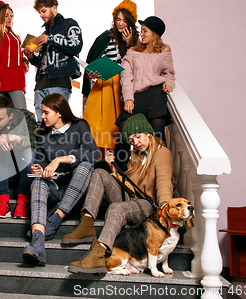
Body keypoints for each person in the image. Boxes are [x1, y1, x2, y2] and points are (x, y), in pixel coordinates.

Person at [64, 113, 174, 274]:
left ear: (149, 133)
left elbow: (164, 183)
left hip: (148, 205)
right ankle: (86, 223)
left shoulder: (162, 153)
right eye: (131, 140)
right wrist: (113, 168)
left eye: (138, 137)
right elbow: (128, 183)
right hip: (132, 199)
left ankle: (99, 253)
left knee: (116, 208)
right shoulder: (136, 156)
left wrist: (166, 207)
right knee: (100, 172)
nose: (136, 143)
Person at [22, 93, 99, 266]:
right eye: (42, 112)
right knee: (38, 182)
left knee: (86, 166)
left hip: (77, 191)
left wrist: (60, 159)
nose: (42, 116)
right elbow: (41, 160)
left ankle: (56, 218)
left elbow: (92, 153)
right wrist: (39, 168)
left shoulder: (80, 126)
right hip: (55, 187)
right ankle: (38, 242)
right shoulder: (43, 134)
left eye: (46, 112)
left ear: (59, 113)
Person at [114, 16, 175, 165]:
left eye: (145, 31)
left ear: (155, 33)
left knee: (158, 137)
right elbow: (126, 76)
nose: (141, 34)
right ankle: (119, 173)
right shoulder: (133, 50)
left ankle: (160, 173)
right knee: (124, 133)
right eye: (141, 31)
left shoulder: (163, 50)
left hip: (156, 95)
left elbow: (169, 73)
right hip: (136, 96)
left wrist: (169, 83)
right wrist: (128, 97)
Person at [82, 0, 139, 155]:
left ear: (131, 21)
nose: (120, 23)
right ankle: (96, 161)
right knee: (95, 125)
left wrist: (130, 44)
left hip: (124, 88)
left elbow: (139, 66)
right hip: (104, 86)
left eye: (124, 20)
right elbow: (91, 63)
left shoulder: (136, 41)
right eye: (118, 19)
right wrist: (90, 74)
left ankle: (117, 163)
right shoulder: (105, 37)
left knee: (118, 129)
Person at [23, 0, 83, 124]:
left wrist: (49, 39)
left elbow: (76, 46)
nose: (41, 15)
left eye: (43, 11)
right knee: (41, 124)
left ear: (54, 8)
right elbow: (45, 63)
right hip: (41, 83)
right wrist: (32, 57)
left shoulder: (69, 23)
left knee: (59, 123)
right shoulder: (46, 31)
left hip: (59, 82)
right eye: (40, 12)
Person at [0, 96, 37, 219]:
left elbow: (34, 141)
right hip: (6, 171)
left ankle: (22, 201)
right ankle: (3, 201)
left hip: (25, 170)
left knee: (29, 151)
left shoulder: (27, 117)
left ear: (11, 115)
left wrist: (15, 138)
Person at [0, 1, 29, 109]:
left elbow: (18, 55)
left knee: (22, 116)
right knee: (0, 120)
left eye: (11, 15)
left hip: (16, 81)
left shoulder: (16, 37)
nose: (10, 18)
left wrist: (24, 62)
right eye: (6, 15)